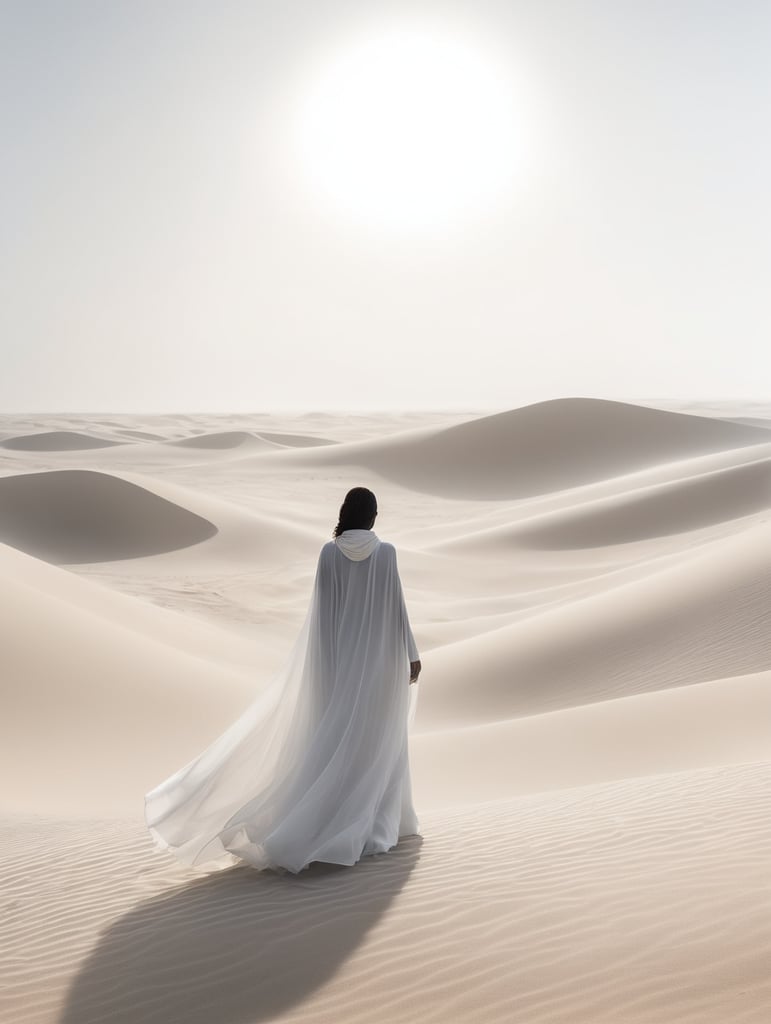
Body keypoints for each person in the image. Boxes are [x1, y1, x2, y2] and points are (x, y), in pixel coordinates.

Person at [144, 486, 422, 875]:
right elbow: (397, 609)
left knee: (338, 742)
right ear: (373, 516)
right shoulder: (387, 553)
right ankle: (378, 825)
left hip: (341, 663)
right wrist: (411, 655)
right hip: (378, 668)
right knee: (377, 741)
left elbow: (323, 616)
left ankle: (340, 819)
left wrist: (325, 669)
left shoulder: (329, 553)